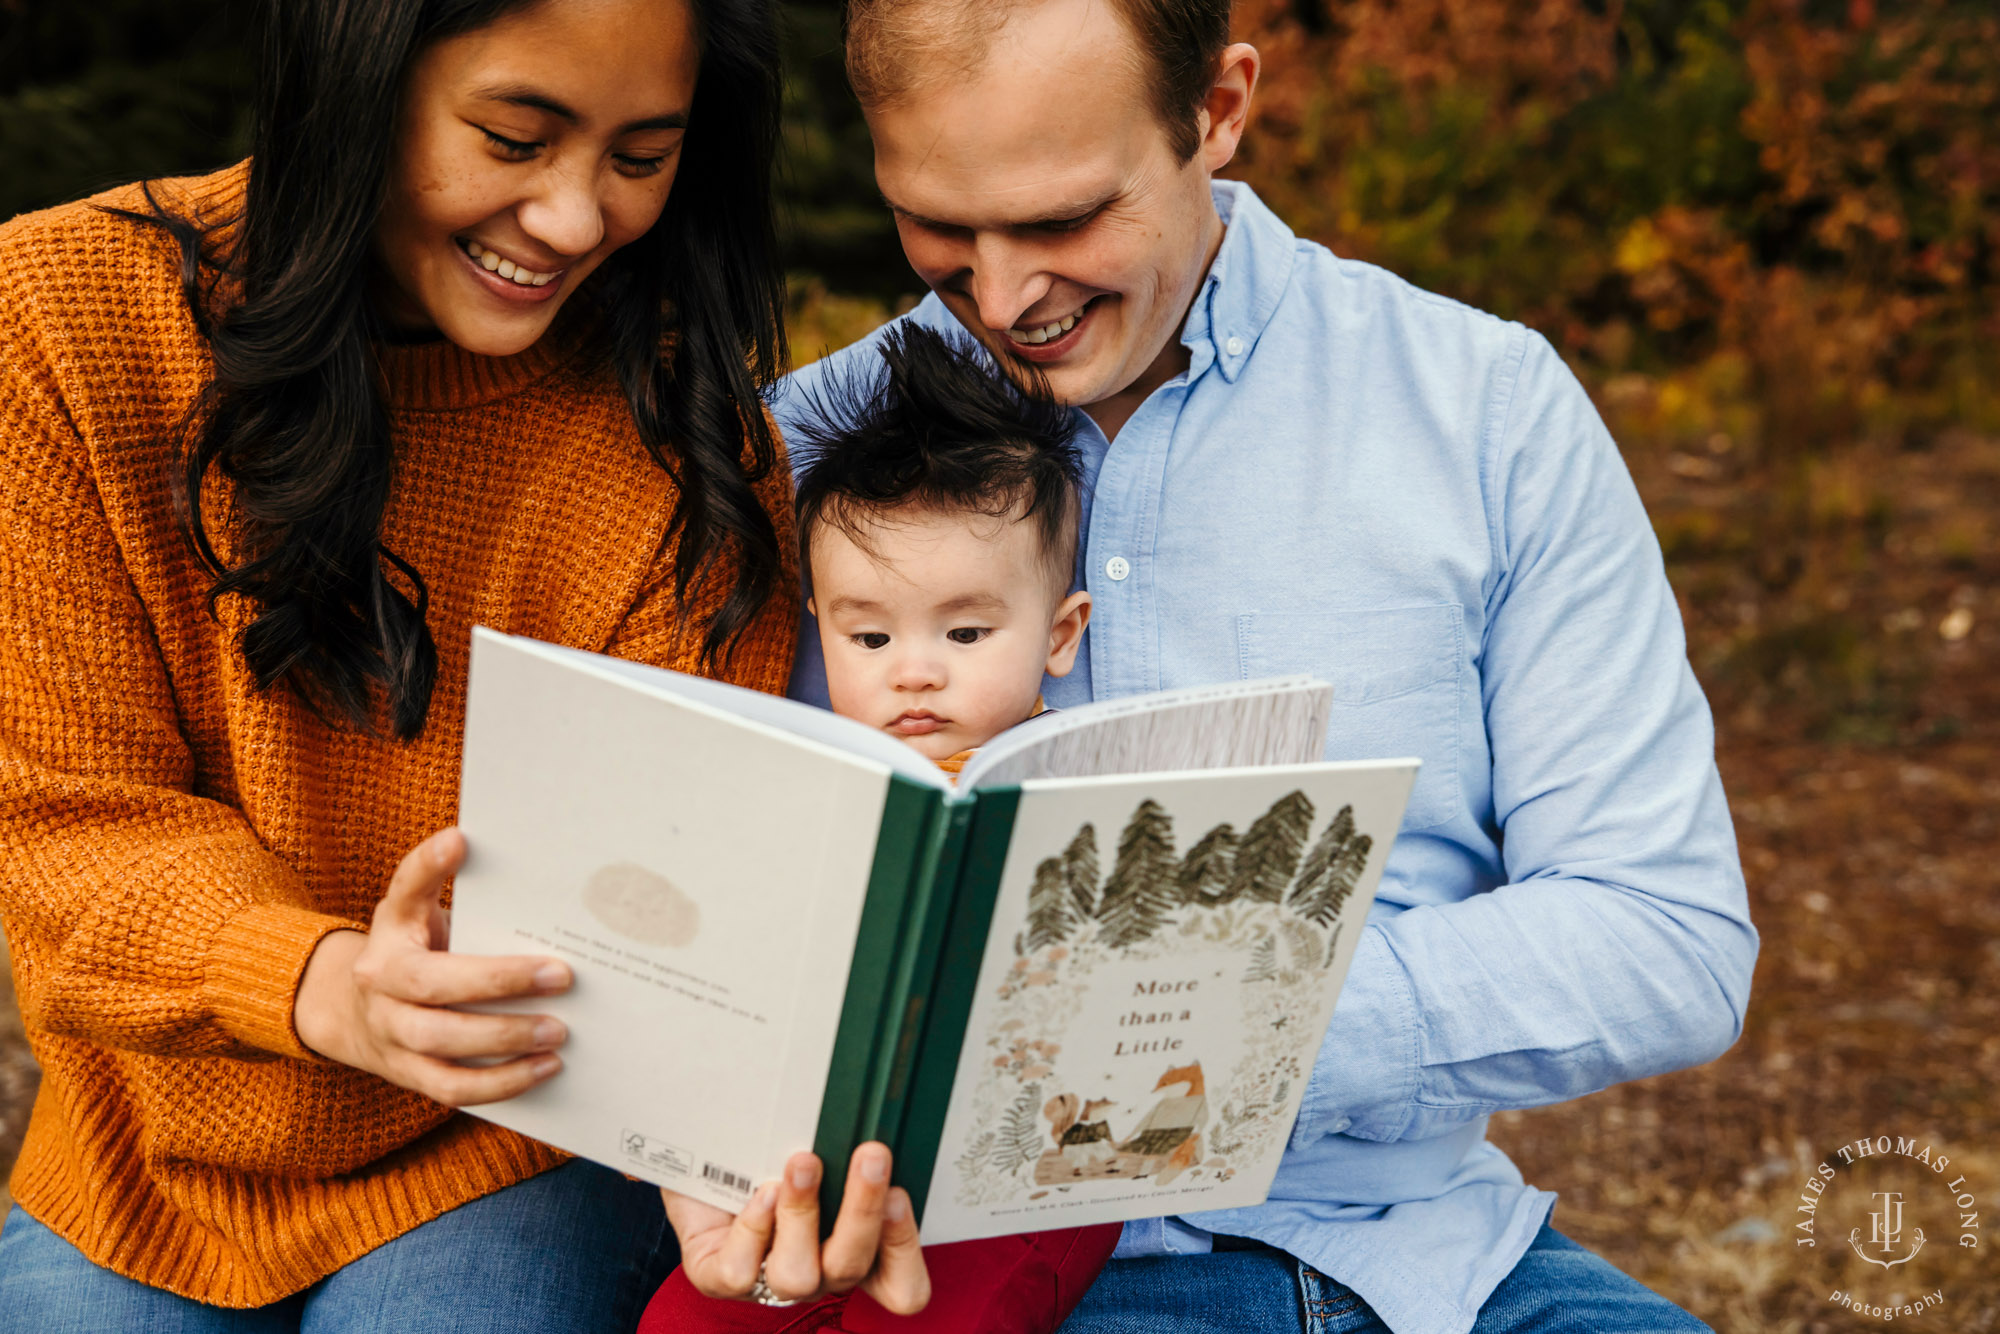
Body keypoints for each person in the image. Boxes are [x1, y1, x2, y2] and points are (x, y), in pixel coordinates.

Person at [770, 1, 1757, 1331]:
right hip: (961, 1281)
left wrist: (1218, 1025)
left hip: (1421, 1263)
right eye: (940, 226)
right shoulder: (801, 454)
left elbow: (1668, 936)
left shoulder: (1484, 410)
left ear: (1219, 112)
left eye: (1064, 219)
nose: (1003, 298)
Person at [0, 0, 921, 1328]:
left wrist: (709, 1160)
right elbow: (62, 821)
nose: (571, 219)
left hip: (509, 1137)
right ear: (356, 75)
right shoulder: (59, 318)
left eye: (641, 156)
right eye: (513, 136)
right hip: (155, 1146)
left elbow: (675, 909)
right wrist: (319, 982)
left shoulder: (686, 447)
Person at [641, 324, 1120, 1332]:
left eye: (964, 630)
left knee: (940, 1315)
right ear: (819, 622)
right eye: (868, 633)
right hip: (817, 1149)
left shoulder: (1076, 792)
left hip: (1015, 1175)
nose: (913, 668)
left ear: (1060, 633)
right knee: (683, 1319)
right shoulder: (813, 777)